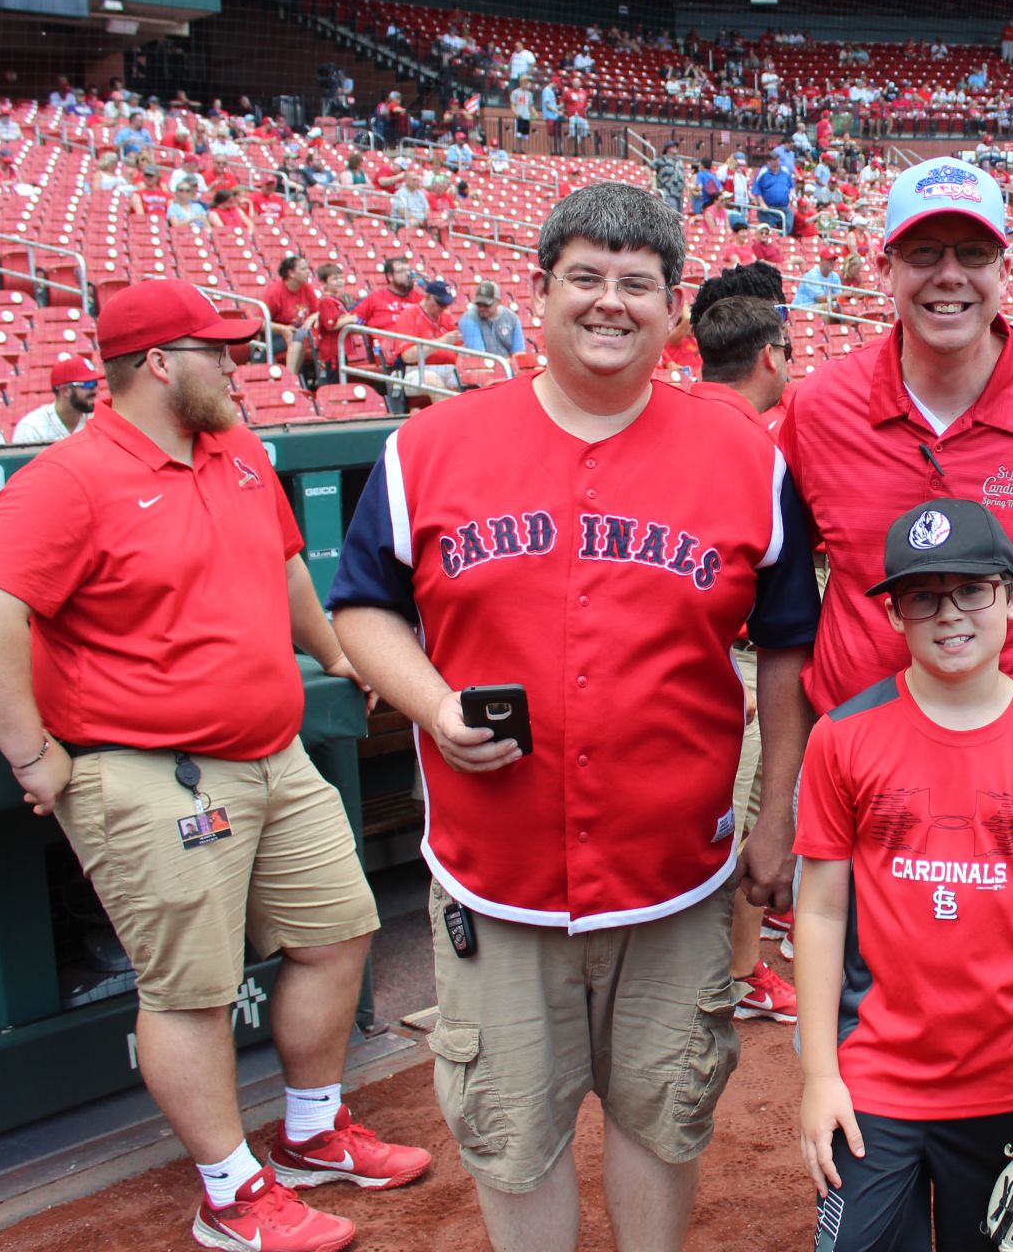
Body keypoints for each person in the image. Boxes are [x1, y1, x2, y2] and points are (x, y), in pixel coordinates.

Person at [327, 183, 819, 1252]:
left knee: (663, 1114)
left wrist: (777, 812)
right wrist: (434, 702)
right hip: (492, 878)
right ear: (538, 294)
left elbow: (787, 644)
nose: (610, 302)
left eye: (636, 283)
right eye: (585, 278)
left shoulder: (747, 454)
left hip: (676, 880)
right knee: (515, 1134)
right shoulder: (431, 446)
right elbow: (362, 606)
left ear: (671, 306)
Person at [0, 279, 424, 1252]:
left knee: (338, 931)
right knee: (191, 989)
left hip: (271, 753)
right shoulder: (70, 476)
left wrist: (334, 651)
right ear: (159, 362)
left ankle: (309, 1131)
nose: (242, 365)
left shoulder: (235, 449)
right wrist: (30, 750)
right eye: (220, 350)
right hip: (149, 768)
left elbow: (284, 563)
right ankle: (227, 1190)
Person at [796, 499, 1013, 1251]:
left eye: (972, 590)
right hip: (875, 1084)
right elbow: (818, 913)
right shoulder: (842, 738)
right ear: (894, 615)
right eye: (922, 597)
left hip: (1011, 1083)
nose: (949, 615)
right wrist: (819, 1076)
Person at [779, 158, 1013, 720]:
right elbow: (783, 593)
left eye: (974, 253)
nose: (950, 274)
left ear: (1005, 271)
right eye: (924, 252)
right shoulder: (820, 405)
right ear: (885, 271)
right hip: (852, 760)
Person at [690, 293, 798, 1023]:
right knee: (733, 825)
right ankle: (723, 979)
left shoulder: (663, 414)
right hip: (730, 662)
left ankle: (732, 971)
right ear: (770, 356)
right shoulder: (755, 442)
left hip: (707, 659)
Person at [391, 279, 463, 395]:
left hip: (448, 369)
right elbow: (408, 356)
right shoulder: (410, 315)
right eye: (440, 303)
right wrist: (442, 341)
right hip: (416, 371)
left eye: (446, 304)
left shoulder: (445, 317)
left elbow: (462, 349)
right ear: (428, 296)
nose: (444, 308)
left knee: (470, 381)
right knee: (434, 382)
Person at [10, 356, 99, 444]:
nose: (95, 391)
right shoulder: (33, 429)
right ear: (65, 391)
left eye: (95, 383)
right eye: (88, 385)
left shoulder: (99, 421)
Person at [264, 255, 320, 380]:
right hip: (277, 336)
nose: (308, 272)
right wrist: (283, 329)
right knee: (297, 337)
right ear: (291, 273)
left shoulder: (307, 288)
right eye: (304, 269)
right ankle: (291, 378)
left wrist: (312, 318)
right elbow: (259, 322)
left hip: (303, 331)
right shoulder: (275, 292)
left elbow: (317, 312)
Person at [457, 278, 527, 358]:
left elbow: (519, 354)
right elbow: (478, 357)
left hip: (507, 367)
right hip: (479, 368)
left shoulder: (512, 318)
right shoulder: (469, 319)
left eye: (486, 304)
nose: (482, 308)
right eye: (479, 304)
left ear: (498, 302)